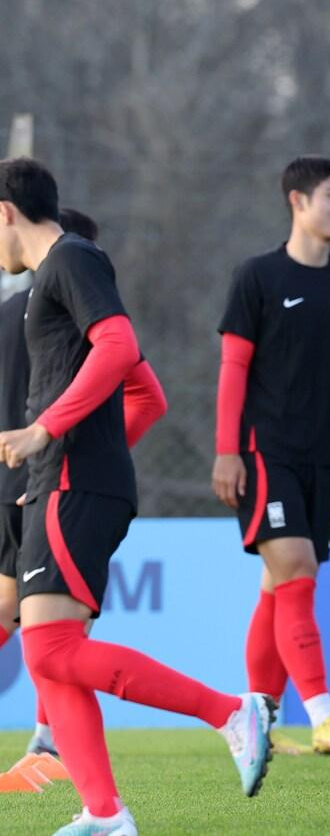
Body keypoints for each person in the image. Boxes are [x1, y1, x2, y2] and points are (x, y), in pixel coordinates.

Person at [0, 158, 272, 835]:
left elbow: (119, 347)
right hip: (59, 479)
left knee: (53, 650)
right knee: (46, 650)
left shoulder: (71, 257)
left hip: (73, 479)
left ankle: (232, 712)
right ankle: (104, 812)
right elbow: (135, 383)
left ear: (4, 211)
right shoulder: (45, 282)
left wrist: (46, 431)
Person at [212, 155, 330, 755]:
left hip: (321, 458)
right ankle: (322, 716)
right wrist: (226, 451)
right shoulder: (257, 276)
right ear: (298, 201)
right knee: (296, 572)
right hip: (263, 452)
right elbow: (233, 368)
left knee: (278, 584)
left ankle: (257, 718)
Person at [0, 209, 103, 785]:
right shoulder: (69, 318)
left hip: (11, 476)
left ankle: (48, 743)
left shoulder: (9, 312)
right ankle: (49, 742)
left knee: (23, 615)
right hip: (43, 480)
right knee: (57, 624)